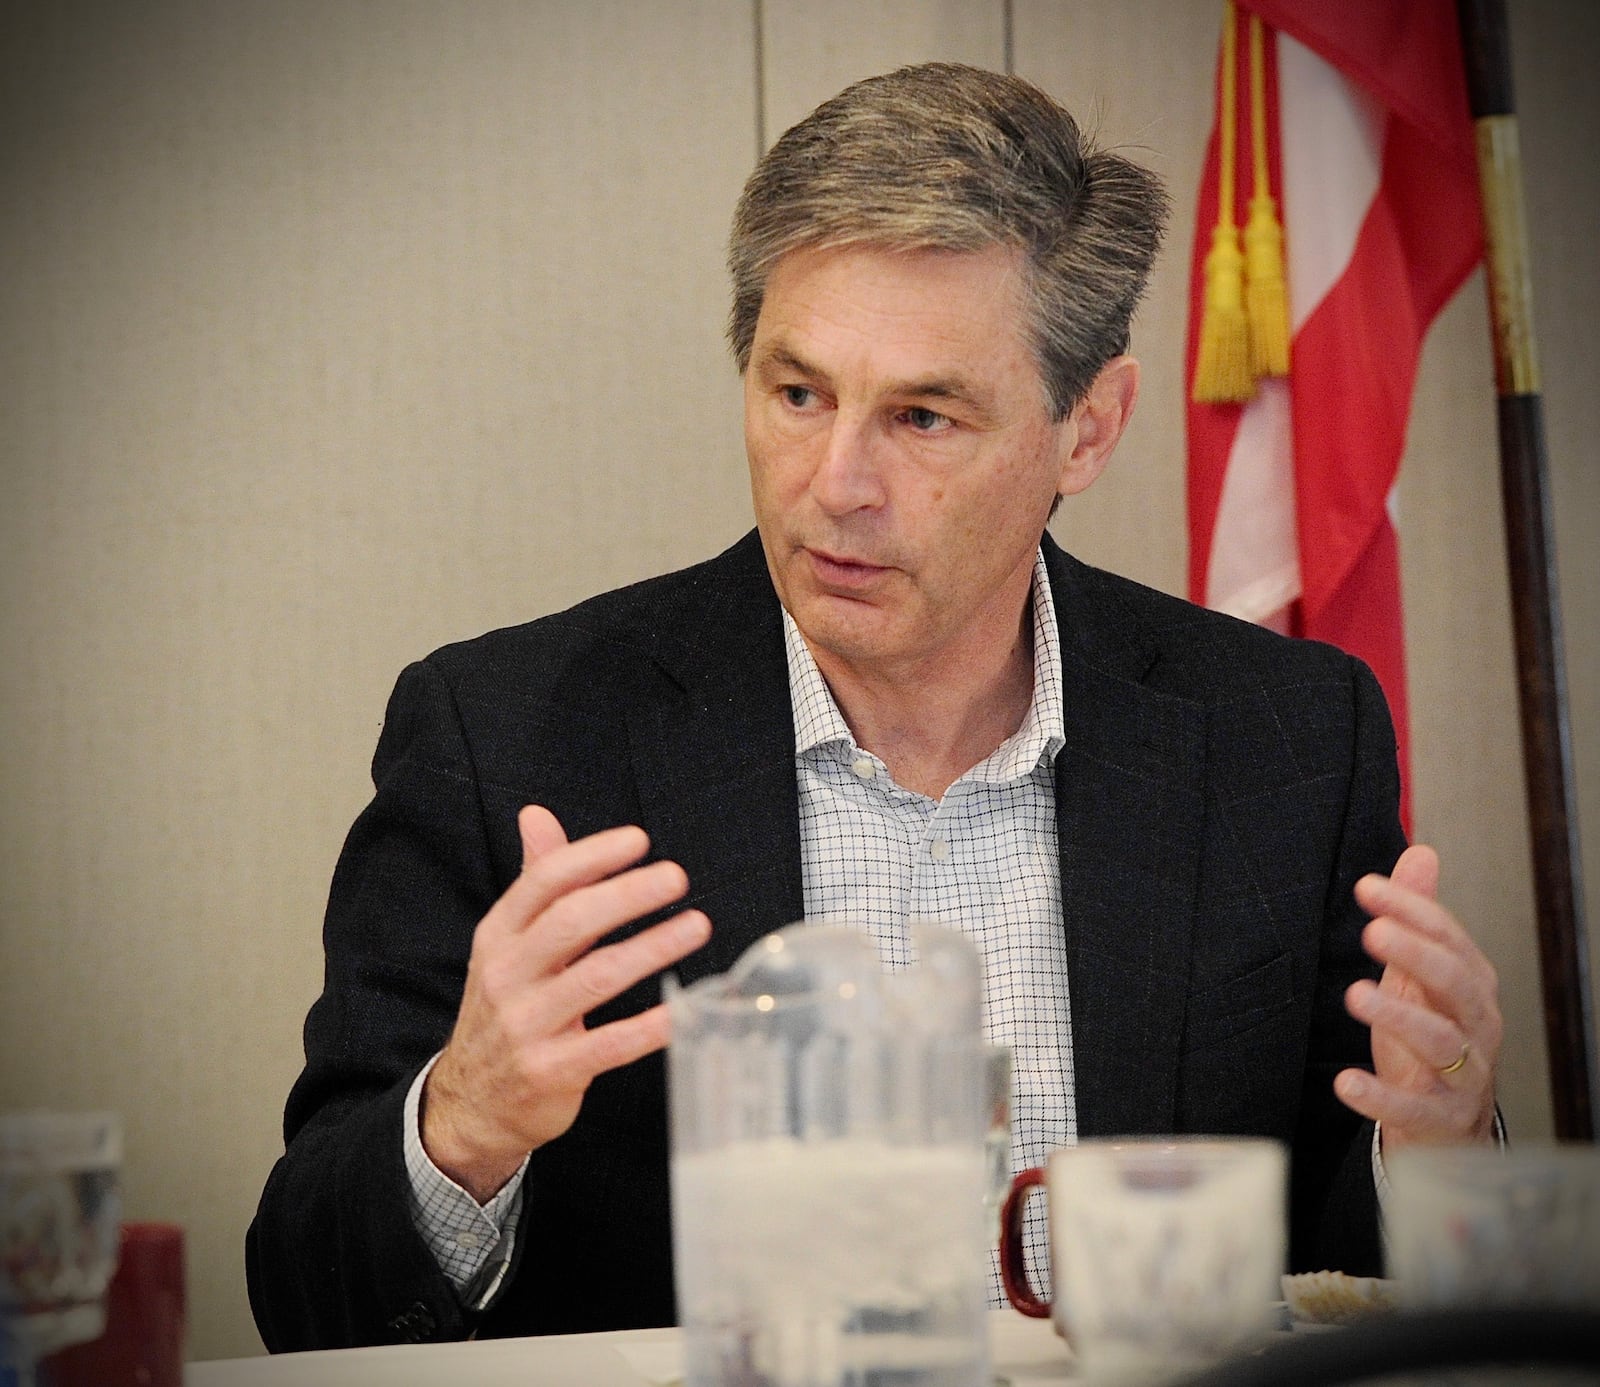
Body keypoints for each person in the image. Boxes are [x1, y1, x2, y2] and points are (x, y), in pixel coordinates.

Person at [246, 62, 1503, 1351]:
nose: (834, 483)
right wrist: (463, 1125)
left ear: (1088, 428)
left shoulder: (1286, 736)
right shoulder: (507, 736)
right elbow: (304, 1301)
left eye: (922, 415)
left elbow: (1347, 1281)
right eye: (798, 395)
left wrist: (1438, 1150)